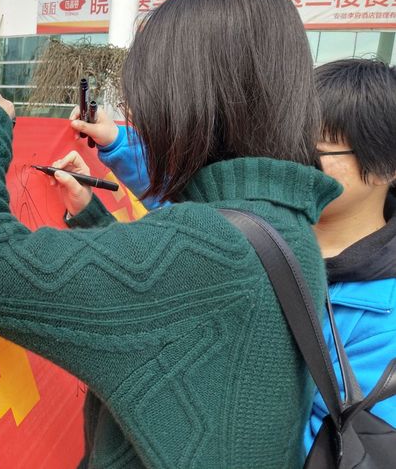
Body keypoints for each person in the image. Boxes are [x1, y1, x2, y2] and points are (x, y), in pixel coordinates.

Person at [0, 0, 341, 467]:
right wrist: (92, 218)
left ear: (188, 105)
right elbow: (180, 334)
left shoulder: (212, 249)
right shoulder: (285, 226)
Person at [72, 58, 396, 454]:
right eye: (289, 147)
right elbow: (200, 213)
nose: (294, 164)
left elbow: (338, 446)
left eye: (314, 152)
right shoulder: (275, 221)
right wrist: (116, 143)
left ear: (385, 167)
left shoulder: (384, 321)